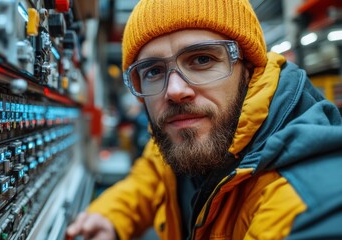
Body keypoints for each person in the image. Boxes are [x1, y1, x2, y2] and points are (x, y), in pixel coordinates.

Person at [66, 0, 342, 239]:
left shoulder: (303, 202)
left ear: (248, 69)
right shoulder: (188, 134)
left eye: (201, 59)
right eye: (152, 71)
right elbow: (149, 177)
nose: (175, 91)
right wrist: (109, 217)